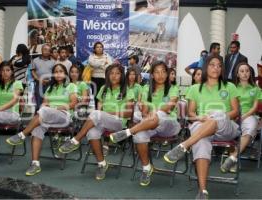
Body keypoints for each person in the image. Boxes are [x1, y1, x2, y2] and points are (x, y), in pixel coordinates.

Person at [163, 55, 239, 199]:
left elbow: (235, 112)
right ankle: (203, 191)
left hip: (226, 126)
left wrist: (218, 115)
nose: (216, 68)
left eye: (219, 65)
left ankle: (184, 145)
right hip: (202, 126)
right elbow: (191, 113)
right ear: (205, 67)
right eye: (212, 64)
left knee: (217, 114)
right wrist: (201, 117)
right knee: (201, 142)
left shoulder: (230, 86)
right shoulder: (195, 88)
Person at [109, 61, 180, 186]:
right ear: (152, 75)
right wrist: (146, 111)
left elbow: (170, 106)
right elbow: (144, 112)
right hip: (151, 123)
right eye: (157, 72)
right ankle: (146, 168)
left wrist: (155, 112)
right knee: (139, 134)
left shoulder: (173, 88)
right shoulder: (147, 88)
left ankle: (128, 132)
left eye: (163, 71)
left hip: (170, 124)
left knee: (160, 114)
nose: (161, 75)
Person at [59, 63, 134, 180]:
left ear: (122, 76)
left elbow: (128, 113)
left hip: (118, 124)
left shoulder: (127, 89)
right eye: (111, 73)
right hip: (103, 121)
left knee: (97, 114)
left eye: (117, 73)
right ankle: (102, 164)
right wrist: (101, 116)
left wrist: (106, 114)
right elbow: (99, 110)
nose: (114, 76)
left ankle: (75, 140)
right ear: (107, 75)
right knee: (92, 133)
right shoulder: (103, 89)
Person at [6, 63, 78, 176]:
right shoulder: (50, 88)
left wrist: (63, 107)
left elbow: (74, 102)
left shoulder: (71, 86)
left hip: (64, 115)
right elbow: (44, 103)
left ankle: (22, 135)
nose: (58, 74)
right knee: (37, 129)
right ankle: (35, 164)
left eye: (61, 71)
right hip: (48, 115)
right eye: (56, 72)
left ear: (65, 74)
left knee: (43, 111)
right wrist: (46, 107)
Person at [220, 62, 261, 173]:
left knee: (251, 127)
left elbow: (255, 107)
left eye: (247, 71)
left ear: (250, 73)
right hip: (234, 115)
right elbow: (228, 105)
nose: (245, 73)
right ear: (237, 74)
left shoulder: (255, 89)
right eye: (242, 71)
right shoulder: (232, 88)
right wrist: (234, 116)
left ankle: (232, 158)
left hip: (248, 115)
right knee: (230, 130)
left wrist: (243, 116)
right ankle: (233, 161)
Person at [31, 44, 55, 111]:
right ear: (41, 50)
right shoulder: (35, 60)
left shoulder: (53, 62)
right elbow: (33, 71)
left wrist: (50, 80)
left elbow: (54, 73)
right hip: (39, 84)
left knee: (48, 102)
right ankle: (38, 117)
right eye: (45, 49)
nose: (47, 51)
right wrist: (39, 79)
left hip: (50, 84)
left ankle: (47, 118)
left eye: (48, 50)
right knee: (39, 102)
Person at [88, 41, 113, 107]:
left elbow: (109, 65)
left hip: (104, 78)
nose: (99, 48)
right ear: (94, 49)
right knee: (96, 95)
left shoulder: (107, 56)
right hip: (94, 78)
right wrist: (103, 63)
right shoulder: (91, 56)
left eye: (100, 47)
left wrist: (98, 64)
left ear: (103, 48)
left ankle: (103, 110)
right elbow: (92, 63)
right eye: (97, 47)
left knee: (104, 95)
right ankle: (97, 110)